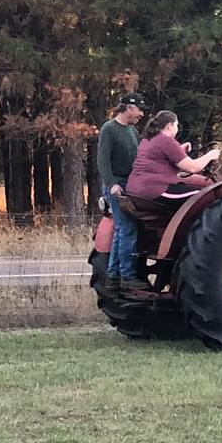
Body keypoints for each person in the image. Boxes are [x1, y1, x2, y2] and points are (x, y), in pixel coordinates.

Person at [97, 92, 149, 293]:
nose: (141, 114)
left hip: (131, 185)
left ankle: (113, 276)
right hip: (118, 186)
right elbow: (103, 159)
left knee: (123, 230)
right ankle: (126, 277)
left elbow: (139, 158)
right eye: (139, 109)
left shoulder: (132, 132)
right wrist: (111, 184)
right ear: (128, 108)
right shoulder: (109, 129)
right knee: (126, 229)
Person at [126, 110, 220, 205]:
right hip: (155, 189)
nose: (177, 128)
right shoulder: (166, 140)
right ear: (170, 125)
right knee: (203, 197)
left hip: (135, 188)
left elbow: (160, 157)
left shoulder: (149, 139)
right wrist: (210, 155)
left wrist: (180, 150)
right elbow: (193, 167)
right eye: (176, 125)